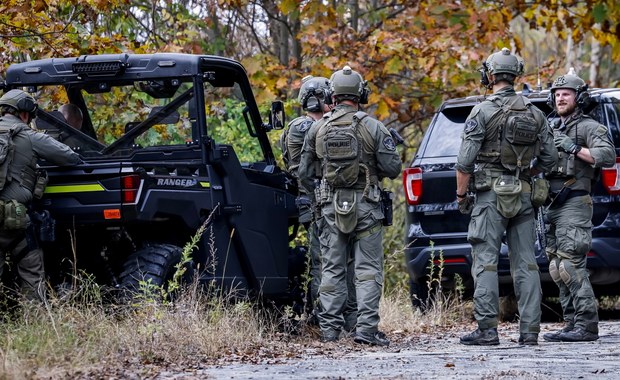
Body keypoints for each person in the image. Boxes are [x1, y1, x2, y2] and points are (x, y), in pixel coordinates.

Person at [455, 48, 558, 346]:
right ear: (516, 75)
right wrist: (526, 171)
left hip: (489, 196)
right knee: (526, 263)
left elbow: (464, 162)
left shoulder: (482, 111)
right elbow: (550, 159)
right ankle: (530, 332)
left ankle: (487, 329)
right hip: (524, 194)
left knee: (485, 261)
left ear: (489, 75)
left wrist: (461, 194)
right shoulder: (534, 113)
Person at [298, 66, 402, 346]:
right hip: (367, 206)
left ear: (333, 94)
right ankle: (365, 331)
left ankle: (329, 332)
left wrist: (321, 196)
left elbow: (305, 173)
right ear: (361, 94)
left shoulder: (318, 128)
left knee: (332, 268)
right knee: (367, 270)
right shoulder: (373, 127)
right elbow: (393, 168)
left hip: (331, 207)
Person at [542, 71, 615, 342]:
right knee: (556, 267)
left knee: (571, 265)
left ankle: (587, 326)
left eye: (566, 94)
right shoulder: (550, 127)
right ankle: (571, 323)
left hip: (575, 202)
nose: (561, 98)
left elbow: (606, 157)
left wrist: (574, 148)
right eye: (557, 95)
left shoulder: (590, 127)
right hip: (550, 203)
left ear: (578, 98)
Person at [280, 75, 358, 328]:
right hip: (315, 200)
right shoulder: (306, 127)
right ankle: (328, 317)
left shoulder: (302, 125)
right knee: (325, 261)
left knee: (330, 261)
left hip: (315, 199)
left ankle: (332, 316)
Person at [0, 89, 82, 301]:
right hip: (11, 217)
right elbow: (69, 157)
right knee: (31, 267)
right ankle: (34, 321)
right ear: (25, 114)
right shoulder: (27, 135)